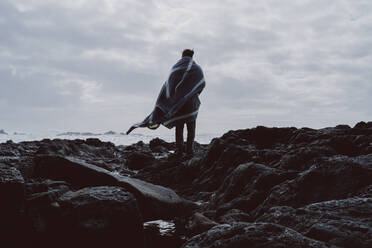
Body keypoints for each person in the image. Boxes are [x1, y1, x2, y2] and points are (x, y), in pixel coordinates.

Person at [127, 49, 205, 159]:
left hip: (178, 106)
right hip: (191, 105)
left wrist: (173, 100)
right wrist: (191, 93)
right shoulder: (197, 69)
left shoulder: (175, 68)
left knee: (179, 128)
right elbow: (201, 84)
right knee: (191, 129)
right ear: (192, 56)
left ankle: (179, 151)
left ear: (182, 55)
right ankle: (189, 152)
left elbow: (168, 86)